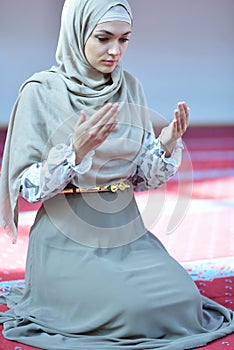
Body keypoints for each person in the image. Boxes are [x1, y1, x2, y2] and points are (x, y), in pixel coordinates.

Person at [0, 0, 233, 349]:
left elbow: (141, 179)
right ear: (77, 33)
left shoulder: (130, 88)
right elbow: (28, 189)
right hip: (66, 242)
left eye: (124, 40)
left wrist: (165, 144)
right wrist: (75, 151)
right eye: (104, 38)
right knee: (134, 310)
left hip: (128, 235)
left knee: (183, 301)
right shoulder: (41, 92)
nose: (115, 51)